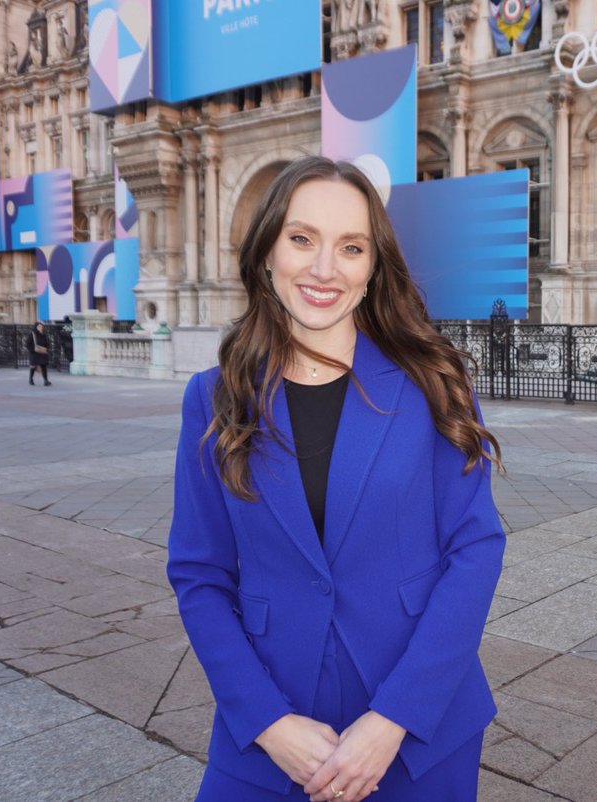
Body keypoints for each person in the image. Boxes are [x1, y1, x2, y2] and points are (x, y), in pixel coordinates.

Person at [167, 156, 505, 802]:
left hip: (419, 734)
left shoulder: (433, 383)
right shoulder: (212, 399)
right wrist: (268, 722)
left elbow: (476, 551)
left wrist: (393, 720)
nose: (325, 269)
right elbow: (199, 575)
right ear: (267, 250)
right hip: (269, 736)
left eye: (351, 247)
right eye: (302, 239)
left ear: (373, 265)